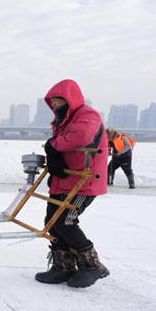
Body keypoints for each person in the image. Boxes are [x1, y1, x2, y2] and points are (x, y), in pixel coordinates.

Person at [35, 79, 109, 288]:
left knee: (66, 221)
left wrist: (53, 145)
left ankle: (93, 265)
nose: (56, 107)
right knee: (51, 221)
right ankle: (63, 266)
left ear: (70, 99)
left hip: (85, 180)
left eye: (59, 102)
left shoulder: (87, 115)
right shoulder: (63, 120)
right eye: (54, 103)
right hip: (65, 179)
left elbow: (81, 137)